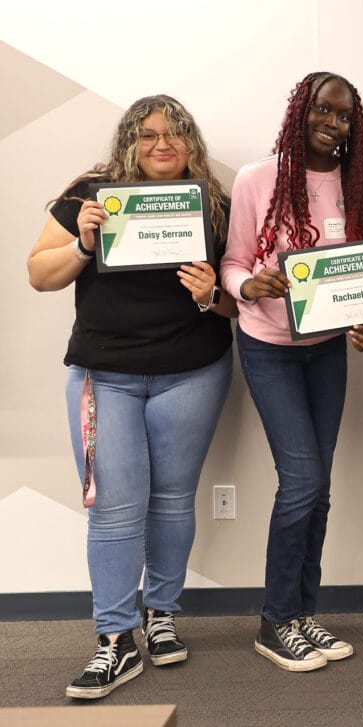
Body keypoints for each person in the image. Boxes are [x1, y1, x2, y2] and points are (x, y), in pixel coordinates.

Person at [27, 95, 235, 699]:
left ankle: (161, 615)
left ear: (191, 142)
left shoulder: (212, 202)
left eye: (173, 135)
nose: (161, 145)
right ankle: (114, 640)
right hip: (104, 375)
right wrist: (82, 245)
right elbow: (38, 273)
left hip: (192, 372)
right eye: (147, 136)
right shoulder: (92, 193)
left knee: (172, 500)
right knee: (114, 509)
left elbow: (234, 302)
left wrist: (208, 293)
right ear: (129, 141)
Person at [220, 71, 363, 672]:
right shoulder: (258, 178)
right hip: (268, 346)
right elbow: (233, 262)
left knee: (321, 487)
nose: (332, 123)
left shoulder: (358, 183)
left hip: (326, 350)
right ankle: (273, 620)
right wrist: (248, 283)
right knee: (302, 482)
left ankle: (299, 614)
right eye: (322, 110)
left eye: (343, 116)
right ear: (300, 110)